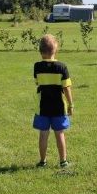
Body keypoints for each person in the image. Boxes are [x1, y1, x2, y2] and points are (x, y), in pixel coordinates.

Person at [33, 34, 74, 168]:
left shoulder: (37, 67)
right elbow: (67, 88)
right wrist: (71, 105)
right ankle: (63, 161)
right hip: (59, 107)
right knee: (59, 134)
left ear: (40, 51)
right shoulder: (62, 67)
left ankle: (42, 161)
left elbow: (37, 83)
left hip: (42, 107)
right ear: (55, 49)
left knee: (43, 134)